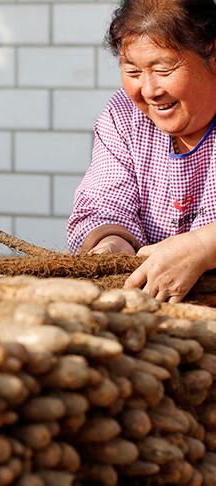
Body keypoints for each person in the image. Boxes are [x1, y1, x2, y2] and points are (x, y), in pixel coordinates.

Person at [67, 0, 216, 303]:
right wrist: (111, 245)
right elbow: (104, 202)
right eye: (133, 71)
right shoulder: (122, 117)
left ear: (212, 53)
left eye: (163, 69)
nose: (149, 90)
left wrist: (204, 246)